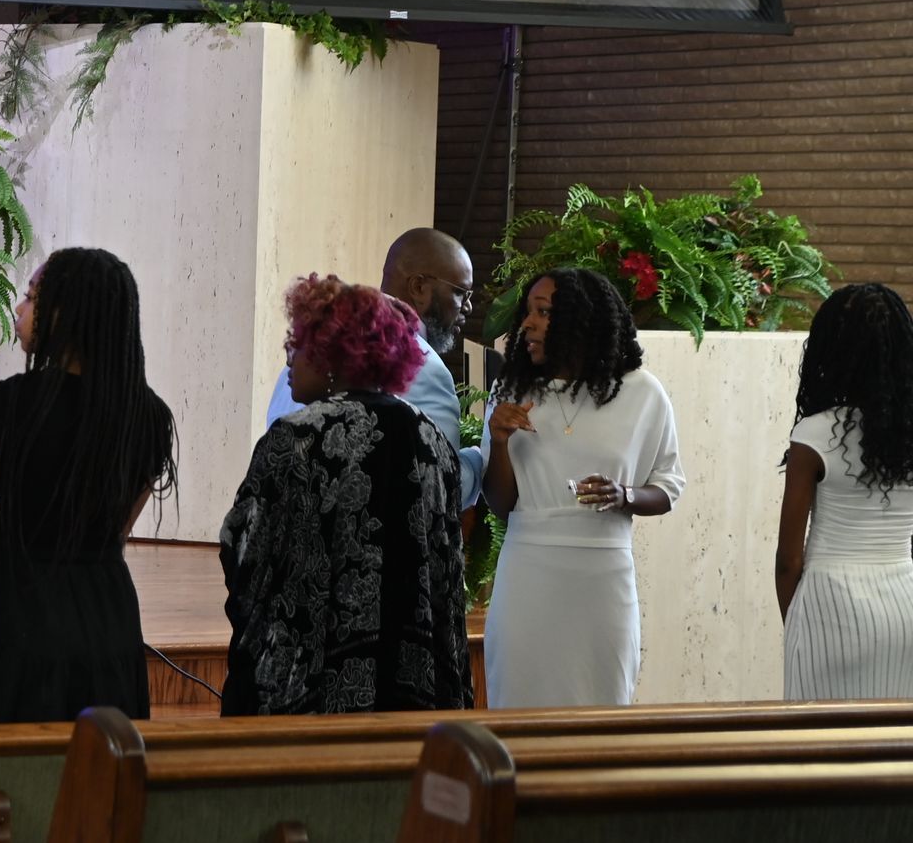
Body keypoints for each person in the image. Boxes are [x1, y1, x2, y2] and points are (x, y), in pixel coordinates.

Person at [0, 247, 178, 725]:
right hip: (106, 618)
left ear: (65, 312)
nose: (19, 308)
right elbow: (116, 533)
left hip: (13, 608)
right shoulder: (150, 417)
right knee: (97, 758)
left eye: (31, 297)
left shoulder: (5, 404)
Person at [220, 275, 470, 714]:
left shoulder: (296, 437)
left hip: (312, 687)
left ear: (333, 352)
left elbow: (245, 548)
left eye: (299, 343)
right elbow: (447, 569)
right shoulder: (431, 440)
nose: (289, 358)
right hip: (411, 691)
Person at [483, 267, 684, 708]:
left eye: (543, 312)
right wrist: (498, 442)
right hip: (527, 576)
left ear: (580, 320)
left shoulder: (643, 393)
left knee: (601, 707)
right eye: (528, 312)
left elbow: (667, 487)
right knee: (519, 705)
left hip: (603, 580)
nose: (527, 324)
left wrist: (624, 495)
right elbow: (500, 504)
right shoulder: (511, 388)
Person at [265, 227, 484, 509]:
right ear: (419, 287)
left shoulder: (311, 351)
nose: (468, 307)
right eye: (460, 292)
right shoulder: (425, 366)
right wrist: (477, 461)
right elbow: (438, 488)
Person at [775, 283, 913, 699]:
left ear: (830, 350)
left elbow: (788, 560)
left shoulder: (815, 434)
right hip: (904, 602)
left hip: (830, 604)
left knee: (819, 736)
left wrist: (796, 622)